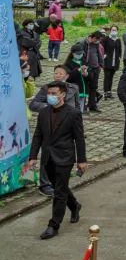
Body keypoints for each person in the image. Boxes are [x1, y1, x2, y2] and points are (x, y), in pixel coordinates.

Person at [27, 81, 87, 239]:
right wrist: (33, 157)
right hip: (48, 157)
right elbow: (38, 135)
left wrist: (81, 160)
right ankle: (75, 206)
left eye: (54, 93)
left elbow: (79, 138)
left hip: (65, 157)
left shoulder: (73, 113)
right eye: (49, 93)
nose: (50, 96)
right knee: (60, 187)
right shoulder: (44, 112)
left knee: (59, 192)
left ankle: (53, 225)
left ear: (63, 94)